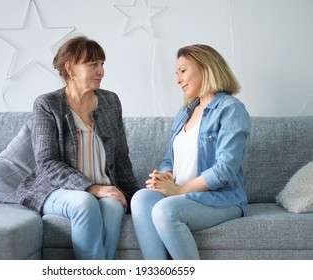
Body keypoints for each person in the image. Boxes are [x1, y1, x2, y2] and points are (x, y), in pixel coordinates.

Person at [15, 36, 138, 260]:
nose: (101, 70)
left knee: (113, 206)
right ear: (70, 68)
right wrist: (92, 188)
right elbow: (47, 162)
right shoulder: (47, 104)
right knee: (84, 202)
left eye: (102, 64)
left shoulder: (111, 101)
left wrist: (134, 198)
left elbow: (121, 158)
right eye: (93, 64)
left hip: (104, 188)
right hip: (55, 189)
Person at [131, 44, 251, 260]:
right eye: (176, 74)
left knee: (164, 211)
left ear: (206, 67)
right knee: (140, 198)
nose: (178, 80)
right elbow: (170, 158)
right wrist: (167, 175)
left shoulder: (231, 109)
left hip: (221, 198)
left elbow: (224, 171)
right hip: (182, 193)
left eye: (183, 71)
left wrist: (179, 190)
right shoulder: (184, 113)